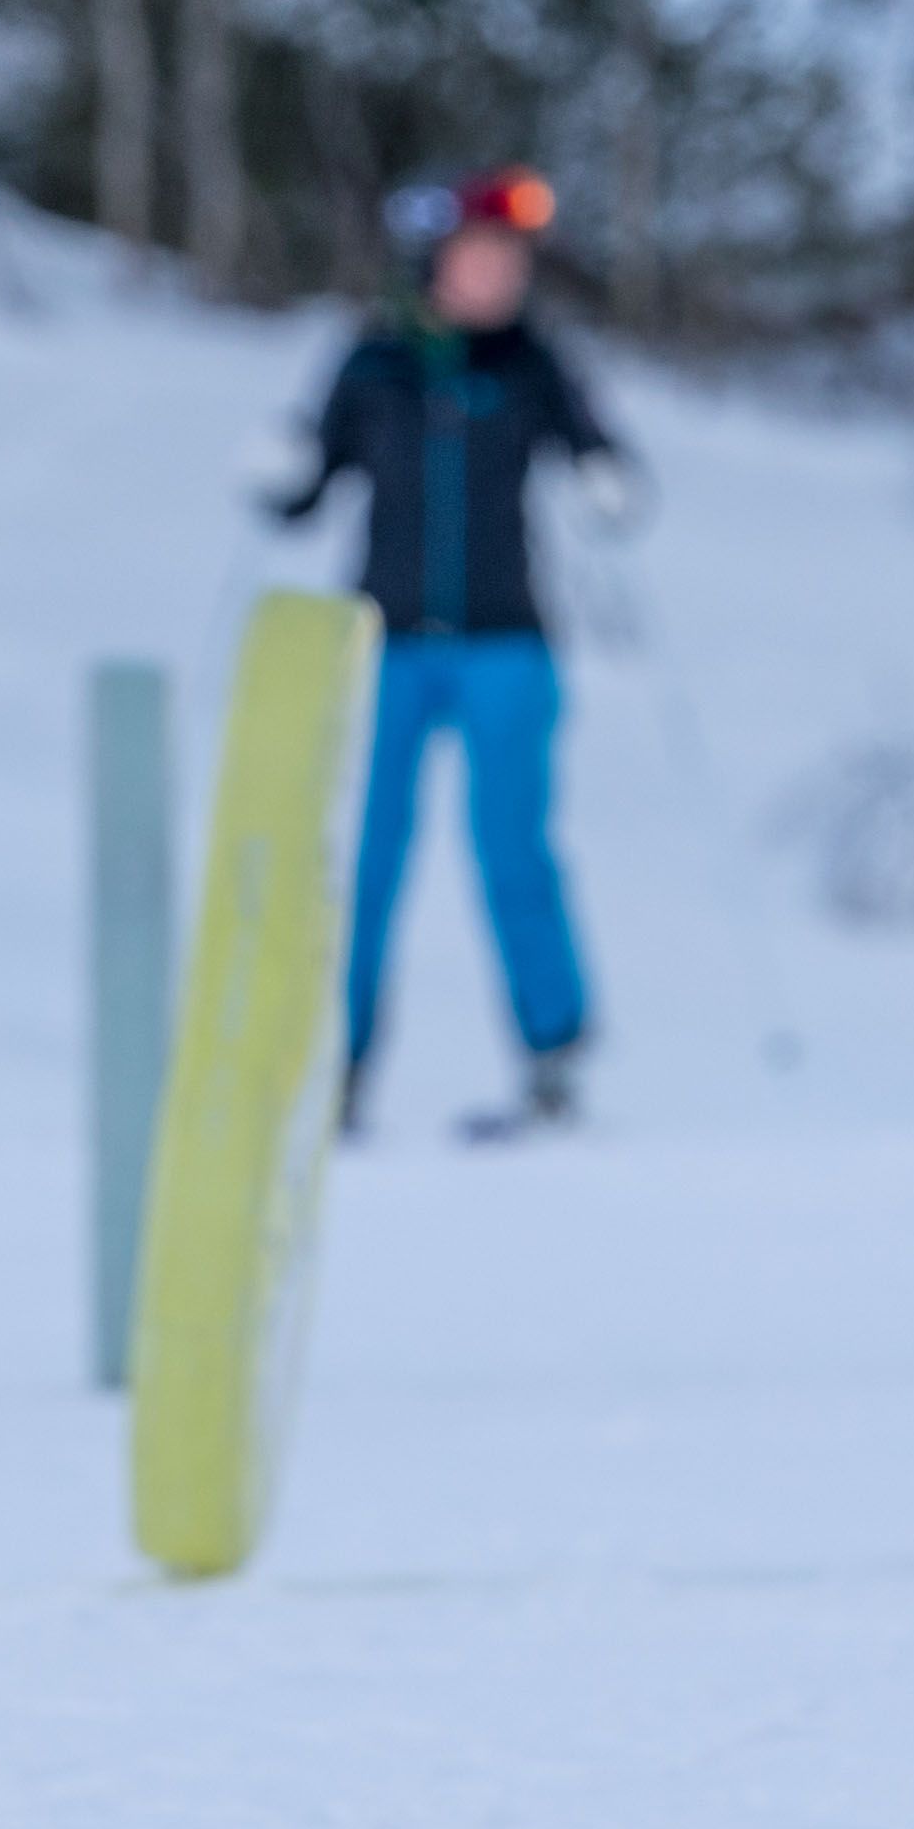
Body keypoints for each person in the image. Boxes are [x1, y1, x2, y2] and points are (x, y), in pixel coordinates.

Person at [274, 164, 636, 1138]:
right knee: (366, 857)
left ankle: (552, 1059)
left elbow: (600, 454)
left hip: (504, 645)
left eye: (509, 262)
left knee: (512, 848)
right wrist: (274, 474)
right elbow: (305, 482)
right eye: (478, 259)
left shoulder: (531, 364)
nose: (495, 278)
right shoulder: (375, 363)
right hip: (382, 643)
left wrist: (608, 478)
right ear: (435, 263)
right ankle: (335, 1072)